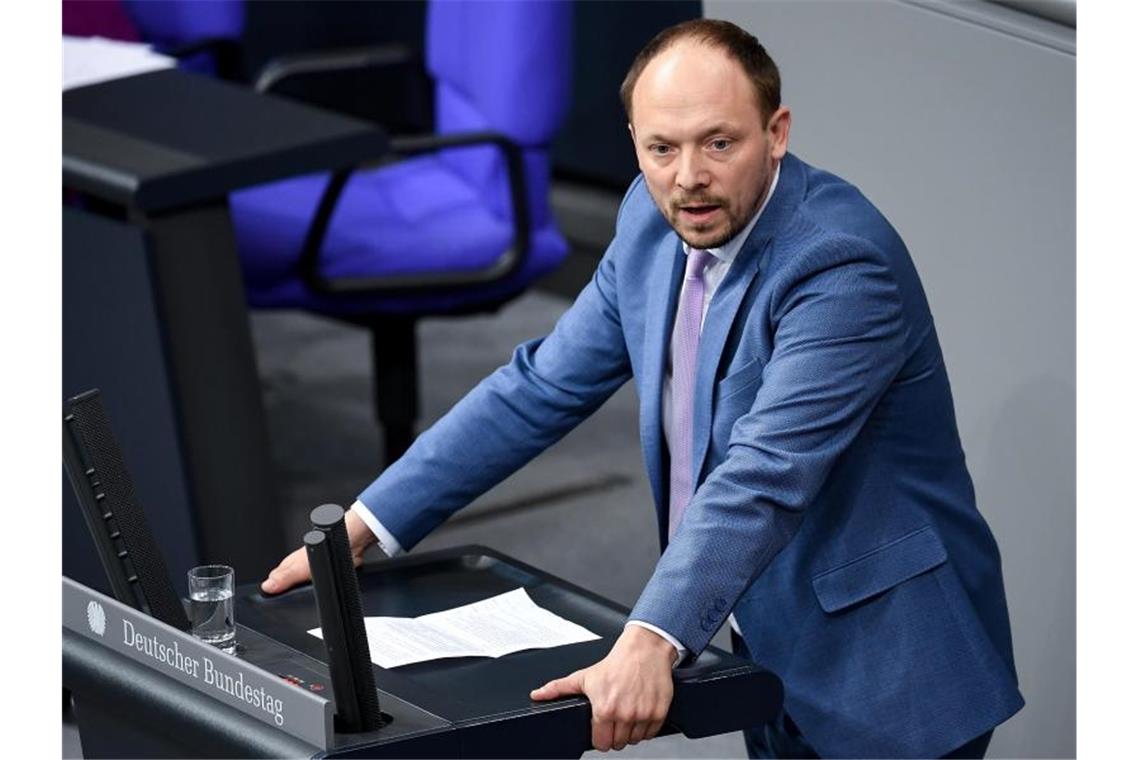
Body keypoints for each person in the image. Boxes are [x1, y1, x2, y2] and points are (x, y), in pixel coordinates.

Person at [262, 19, 1024, 759]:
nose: (688, 176)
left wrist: (652, 638)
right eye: (662, 147)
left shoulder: (839, 266)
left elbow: (763, 475)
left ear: (777, 132)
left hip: (895, 667)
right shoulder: (652, 221)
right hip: (767, 635)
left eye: (718, 143)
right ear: (634, 142)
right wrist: (369, 523)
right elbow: (542, 384)